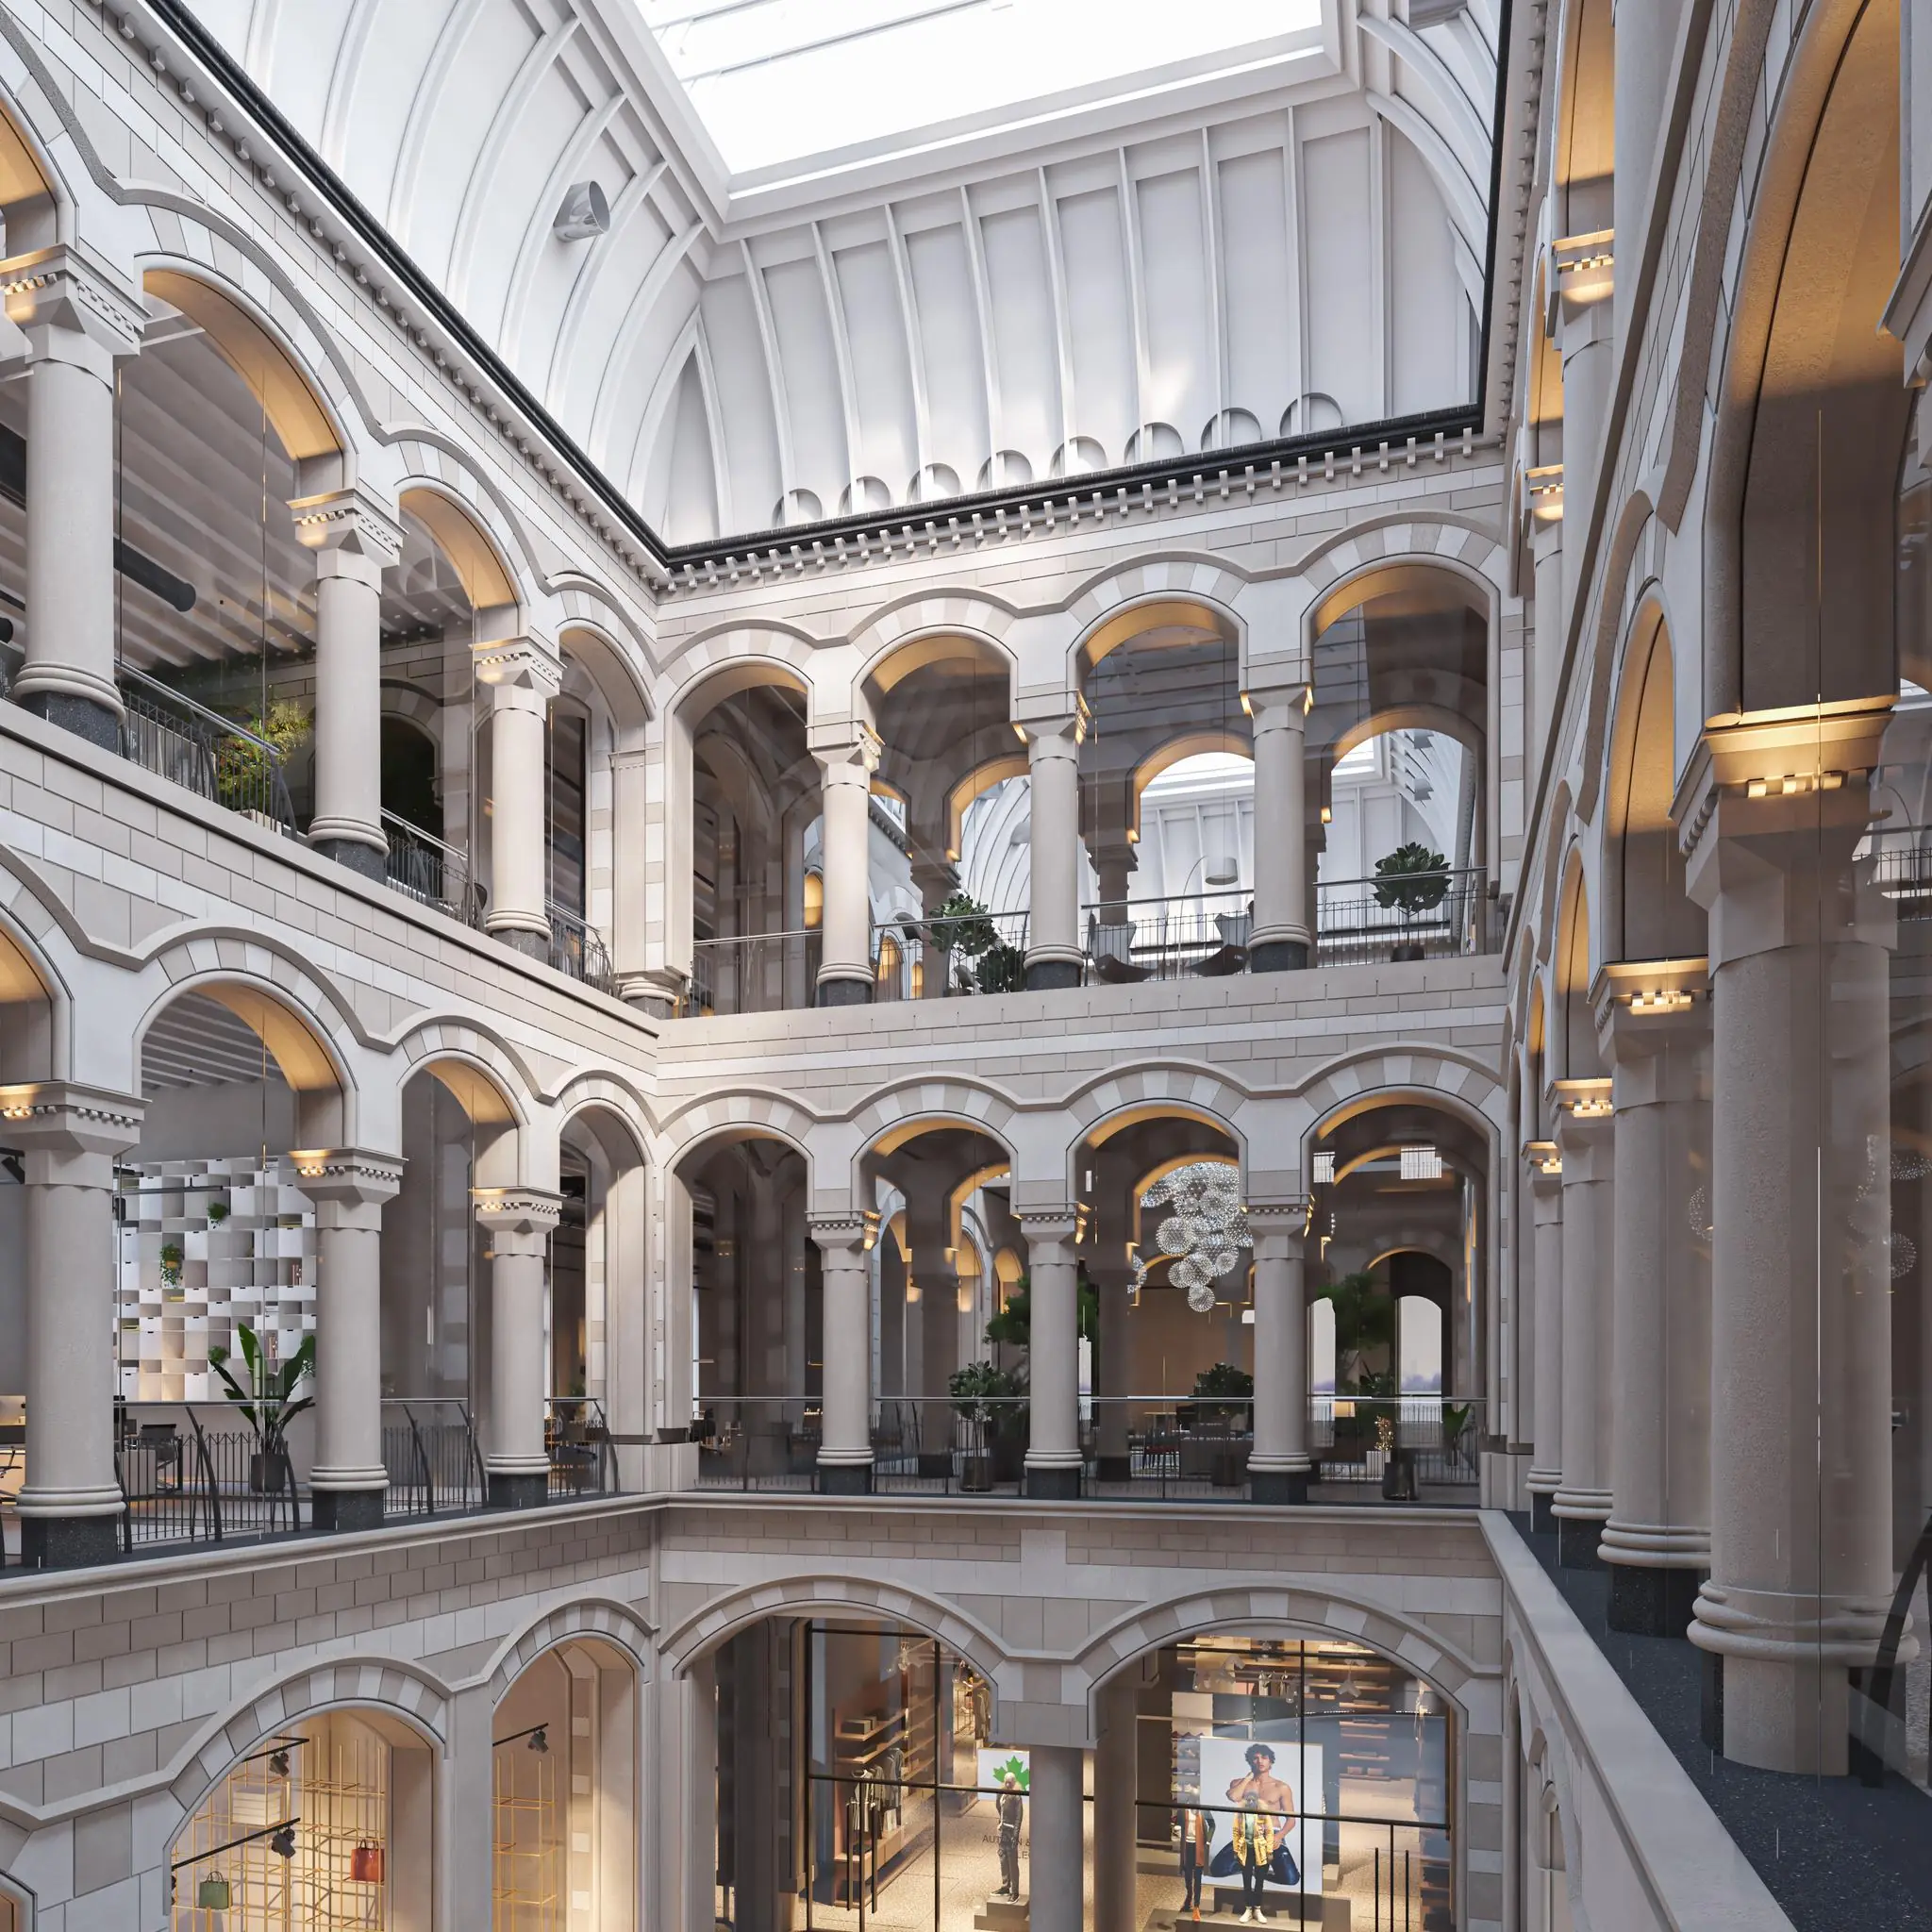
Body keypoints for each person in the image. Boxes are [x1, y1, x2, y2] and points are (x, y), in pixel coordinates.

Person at [1231, 1794, 1276, 1924]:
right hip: (1245, 1850)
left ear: (1257, 1801)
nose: (1250, 1802)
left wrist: (1269, 1851)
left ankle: (1257, 1909)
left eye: (1253, 1800)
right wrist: (1235, 1850)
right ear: (1245, 1801)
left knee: (1259, 1880)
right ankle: (1248, 1909)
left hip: (1260, 1850)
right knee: (1246, 1880)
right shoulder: (1240, 1814)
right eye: (1248, 1800)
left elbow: (1269, 1832)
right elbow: (1235, 1831)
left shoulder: (1263, 1813)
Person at [1176, 1804, 1214, 1921]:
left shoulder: (1204, 1810)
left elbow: (1212, 1825)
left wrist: (1208, 1841)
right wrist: (1177, 1831)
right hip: (1187, 1847)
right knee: (1187, 1876)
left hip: (1199, 1848)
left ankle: (1196, 1906)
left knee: (1197, 1877)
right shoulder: (1183, 1810)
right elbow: (1178, 1825)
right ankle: (1189, 1897)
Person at [994, 1772, 1024, 1900]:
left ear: (1014, 1783)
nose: (1007, 1784)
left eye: (1010, 1782)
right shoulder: (1002, 1794)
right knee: (1003, 1858)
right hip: (1002, 1830)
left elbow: (1019, 1817)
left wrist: (1015, 1835)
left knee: (1012, 1862)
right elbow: (999, 1808)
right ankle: (1006, 1886)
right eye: (1006, 1782)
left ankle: (1015, 1891)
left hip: (1011, 1832)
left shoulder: (1016, 1797)